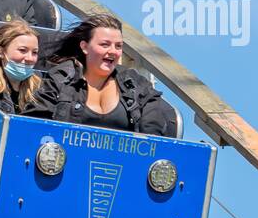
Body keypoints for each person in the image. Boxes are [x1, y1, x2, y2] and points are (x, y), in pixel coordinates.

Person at [26, 14, 177, 136]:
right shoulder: (61, 78)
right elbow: (35, 124)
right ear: (85, 47)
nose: (113, 51)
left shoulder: (135, 83)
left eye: (118, 46)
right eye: (105, 44)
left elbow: (153, 129)